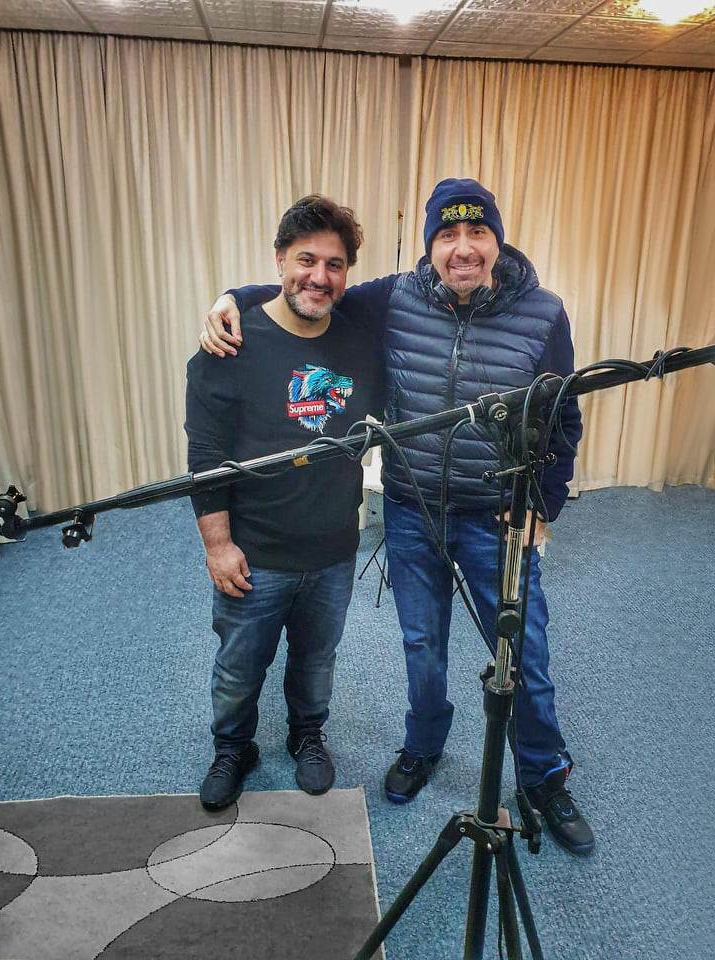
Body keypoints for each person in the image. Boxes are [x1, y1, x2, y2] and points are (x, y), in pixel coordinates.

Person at [198, 178, 594, 855]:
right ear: (430, 245)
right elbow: (312, 290)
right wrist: (232, 296)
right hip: (413, 511)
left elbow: (564, 418)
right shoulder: (395, 299)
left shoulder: (543, 313)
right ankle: (424, 745)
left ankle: (544, 776)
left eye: (477, 233)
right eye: (448, 234)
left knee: (524, 650)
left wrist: (543, 505)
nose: (463, 248)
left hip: (495, 517)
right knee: (422, 644)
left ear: (497, 241)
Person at [185, 195, 383, 811]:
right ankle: (232, 747)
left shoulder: (361, 345)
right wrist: (218, 545)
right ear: (279, 259)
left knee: (317, 659)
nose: (319, 276)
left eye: (334, 264)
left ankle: (307, 735)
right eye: (305, 260)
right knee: (239, 664)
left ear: (347, 273)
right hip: (255, 550)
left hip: (333, 547)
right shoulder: (229, 347)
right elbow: (206, 456)